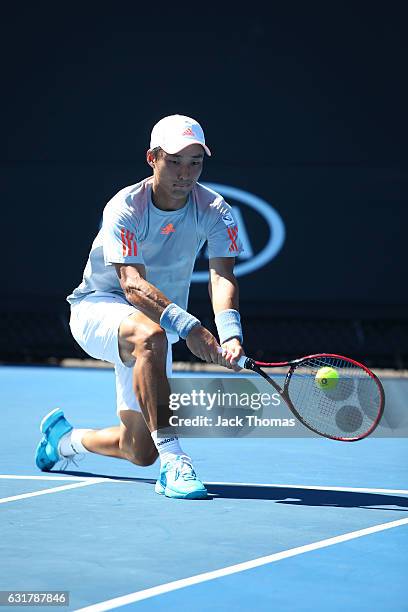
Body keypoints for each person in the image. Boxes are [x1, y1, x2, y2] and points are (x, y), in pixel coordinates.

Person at [35, 114, 244, 499]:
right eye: (175, 161)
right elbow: (131, 285)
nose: (185, 173)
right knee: (149, 335)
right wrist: (192, 328)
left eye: (195, 162)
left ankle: (65, 441)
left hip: (159, 322)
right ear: (153, 158)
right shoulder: (125, 207)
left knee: (139, 449)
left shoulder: (215, 210)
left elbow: (222, 276)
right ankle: (175, 461)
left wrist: (230, 334)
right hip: (98, 308)